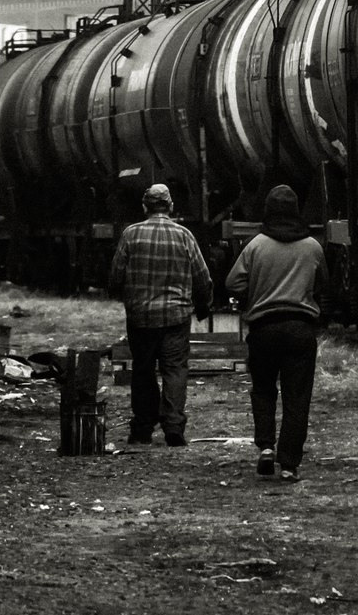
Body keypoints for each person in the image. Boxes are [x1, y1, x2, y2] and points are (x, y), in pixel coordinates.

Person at [224, 184, 327, 480]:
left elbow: (232, 283)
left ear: (267, 211)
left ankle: (266, 447)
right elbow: (324, 284)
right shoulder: (312, 246)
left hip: (264, 329)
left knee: (264, 390)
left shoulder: (255, 245)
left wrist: (255, 292)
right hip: (300, 329)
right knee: (297, 397)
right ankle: (290, 463)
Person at [106, 183, 211, 446]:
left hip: (140, 318)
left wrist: (127, 299)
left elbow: (116, 276)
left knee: (143, 370)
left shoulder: (131, 234)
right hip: (176, 317)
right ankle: (173, 425)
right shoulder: (184, 235)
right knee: (175, 370)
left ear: (144, 207)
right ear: (171, 206)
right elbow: (202, 277)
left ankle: (142, 428)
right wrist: (202, 306)